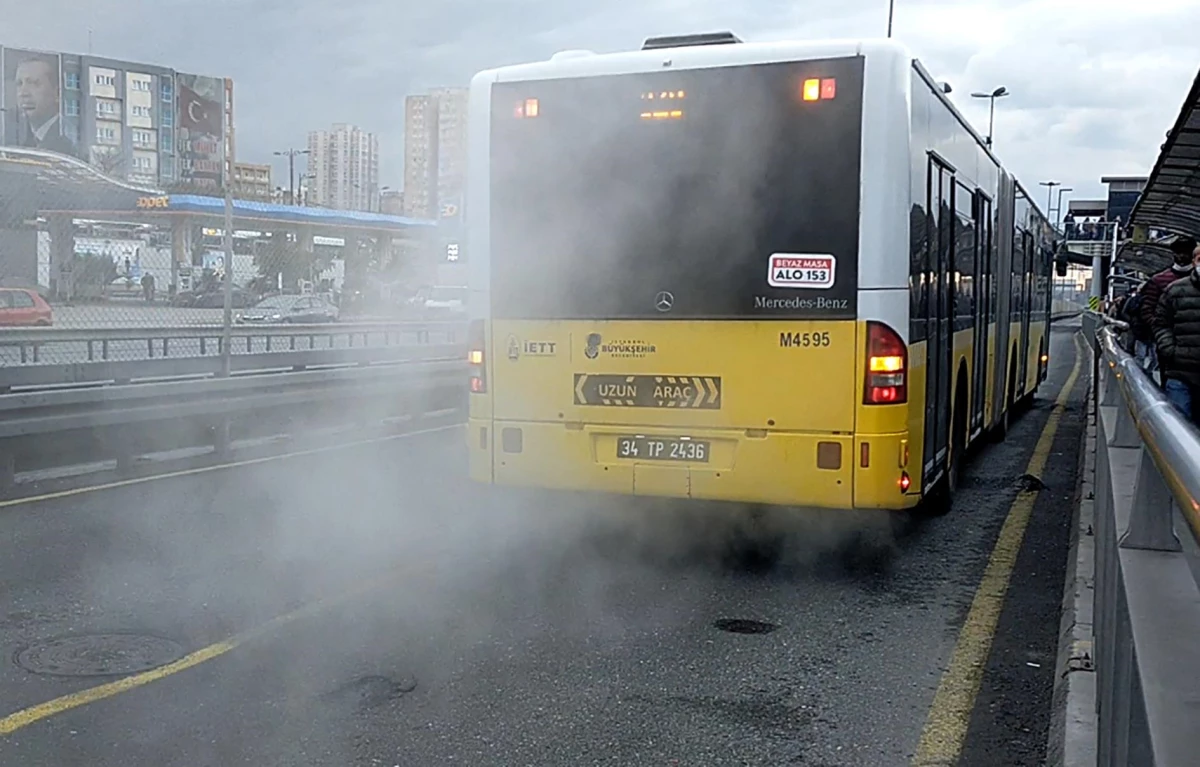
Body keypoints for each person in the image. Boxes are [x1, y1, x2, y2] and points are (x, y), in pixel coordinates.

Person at [1152, 241, 1200, 424]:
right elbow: (1160, 323)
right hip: (1180, 373)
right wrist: (1170, 350)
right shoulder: (1174, 290)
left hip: (1179, 368)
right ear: (1194, 261)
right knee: (1179, 428)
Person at [1140, 235, 1197, 386]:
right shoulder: (1158, 281)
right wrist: (1165, 341)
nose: (1183, 256)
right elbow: (1147, 311)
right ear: (1174, 254)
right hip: (1171, 352)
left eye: (1186, 252)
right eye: (1179, 252)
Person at [10, 55, 76, 157]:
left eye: (33, 83)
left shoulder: (70, 141)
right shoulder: (13, 140)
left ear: (57, 93)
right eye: (19, 84)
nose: (23, 93)